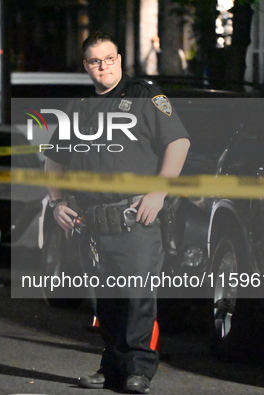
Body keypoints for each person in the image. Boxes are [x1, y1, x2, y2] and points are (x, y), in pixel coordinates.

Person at [44, 32, 190, 393]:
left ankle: (139, 370)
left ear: (120, 59)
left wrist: (159, 191)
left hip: (135, 216)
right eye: (95, 61)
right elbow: (53, 159)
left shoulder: (146, 95)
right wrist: (58, 202)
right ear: (86, 66)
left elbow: (179, 143)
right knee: (106, 299)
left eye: (109, 59)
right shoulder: (76, 108)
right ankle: (111, 368)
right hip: (93, 220)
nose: (103, 67)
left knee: (138, 296)